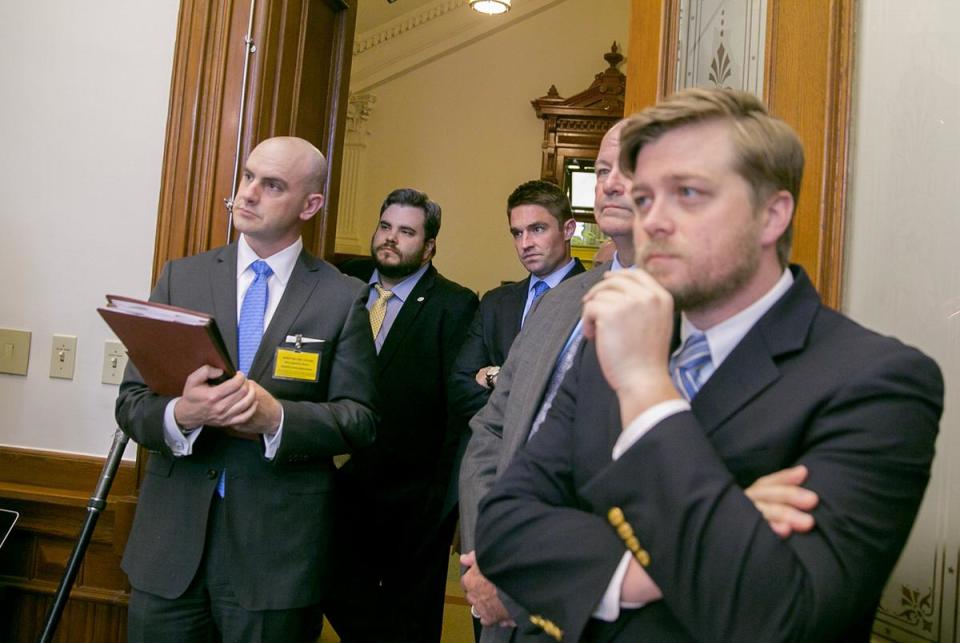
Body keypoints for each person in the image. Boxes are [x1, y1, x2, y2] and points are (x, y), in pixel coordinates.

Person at [475, 88, 943, 642]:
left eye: (689, 194)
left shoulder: (877, 381)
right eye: (645, 199)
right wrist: (665, 562)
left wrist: (648, 389)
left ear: (772, 215)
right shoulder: (612, 348)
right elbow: (505, 524)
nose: (656, 223)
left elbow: (774, 614)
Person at [460, 119, 819, 643]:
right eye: (603, 169)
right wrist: (489, 551)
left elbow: (700, 502)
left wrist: (522, 572)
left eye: (630, 171)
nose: (608, 183)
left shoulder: (709, 321)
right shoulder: (558, 300)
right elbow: (494, 433)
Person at [115, 136, 379, 642]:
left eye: (272, 185)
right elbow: (131, 404)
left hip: (274, 558)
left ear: (311, 205)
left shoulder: (341, 297)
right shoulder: (182, 278)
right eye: (247, 177)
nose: (249, 194)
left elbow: (361, 418)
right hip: (169, 552)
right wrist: (182, 414)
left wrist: (276, 420)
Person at [327, 188, 478, 642]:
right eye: (386, 226)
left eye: (407, 232)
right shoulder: (342, 280)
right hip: (335, 486)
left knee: (408, 622)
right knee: (332, 596)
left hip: (411, 501)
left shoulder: (455, 304)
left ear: (429, 246)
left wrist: (444, 503)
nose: (390, 239)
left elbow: (456, 413)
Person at [449, 180, 585, 421]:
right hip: (489, 452)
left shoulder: (594, 297)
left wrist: (493, 377)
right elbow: (461, 388)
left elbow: (579, 399)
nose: (525, 244)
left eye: (538, 229)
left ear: (568, 229)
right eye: (517, 233)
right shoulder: (495, 303)